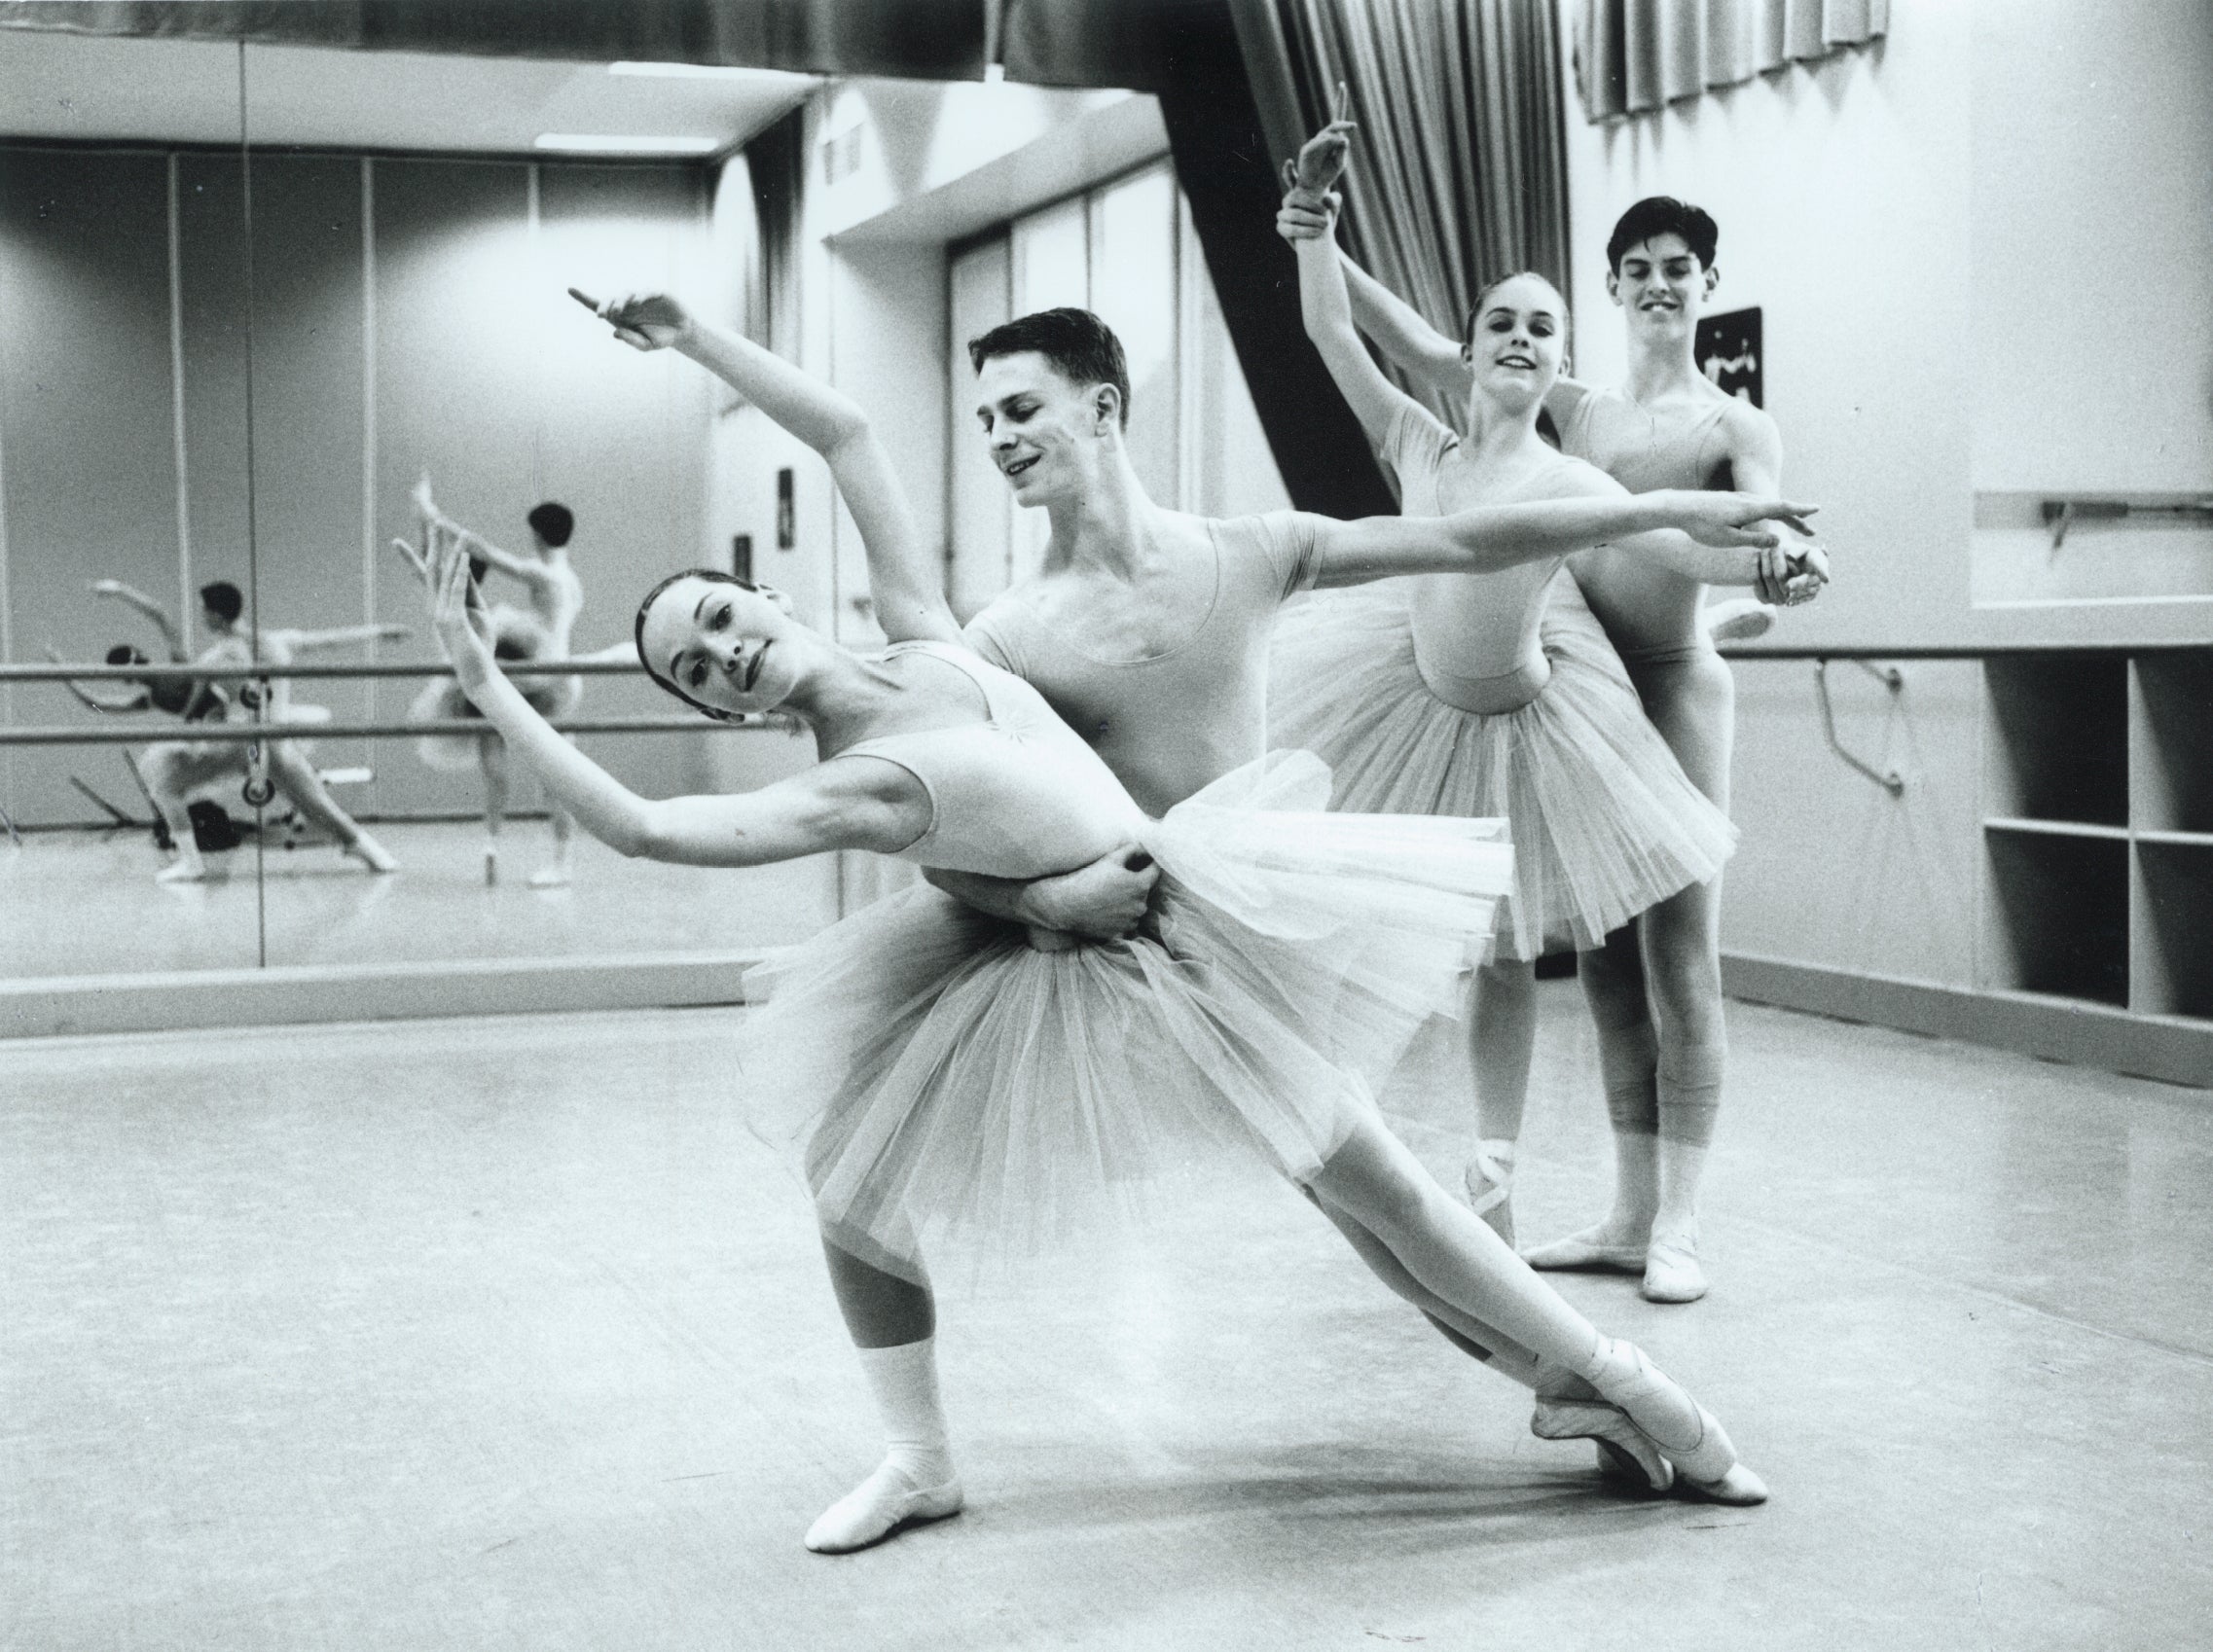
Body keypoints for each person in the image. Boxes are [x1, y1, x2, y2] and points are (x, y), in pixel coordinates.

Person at [466, 289, 1786, 1555]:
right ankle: (1629, 1394)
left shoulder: (944, 634)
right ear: (720, 708)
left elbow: (852, 436)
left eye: (716, 620)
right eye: (698, 670)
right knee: (1335, 1191)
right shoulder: (976, 654)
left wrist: (1671, 509)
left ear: (1101, 404)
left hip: (1241, 915)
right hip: (1132, 956)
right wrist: (1037, 899)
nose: (998, 436)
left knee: (1377, 1204)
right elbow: (934, 836)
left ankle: (1596, 1390)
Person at [1268, 117, 1826, 1268]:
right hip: (1587, 678)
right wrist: (1315, 224)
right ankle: (1626, 1215)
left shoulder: (1713, 426)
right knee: (1605, 968)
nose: (1661, 285)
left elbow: (1699, 530)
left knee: (1680, 958)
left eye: (1680, 269)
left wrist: (1782, 558)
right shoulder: (1562, 410)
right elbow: (1388, 341)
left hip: (1662, 683)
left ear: (1706, 284)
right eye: (1640, 269)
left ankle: (1680, 1223)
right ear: (1614, 289)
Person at [63, 578, 403, 882]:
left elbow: (180, 690)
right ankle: (373, 853)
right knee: (312, 800)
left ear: (215, 616)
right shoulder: (278, 641)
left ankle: (191, 863)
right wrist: (380, 632)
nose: (201, 617)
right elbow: (330, 640)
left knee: (166, 786)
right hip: (275, 737)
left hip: (240, 741)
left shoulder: (215, 658)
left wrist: (70, 680)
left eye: (203, 611)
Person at [401, 485, 597, 888]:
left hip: (544, 682)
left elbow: (482, 550)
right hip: (549, 678)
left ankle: (518, 851)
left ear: (538, 533)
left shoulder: (545, 575)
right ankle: (528, 853)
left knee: (540, 772)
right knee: (545, 771)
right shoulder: (570, 579)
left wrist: (430, 513)